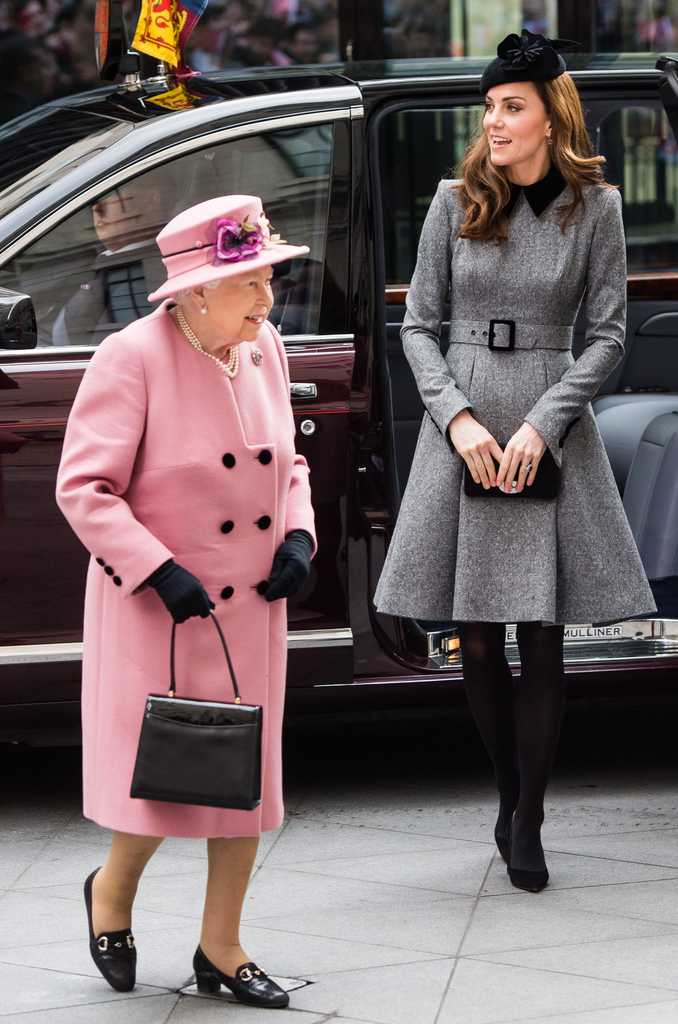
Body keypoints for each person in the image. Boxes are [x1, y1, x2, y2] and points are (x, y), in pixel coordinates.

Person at [373, 29, 657, 893]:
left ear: (548, 116)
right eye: (490, 107)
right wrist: (458, 420)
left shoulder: (595, 208)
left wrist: (542, 423)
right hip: (461, 422)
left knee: (541, 637)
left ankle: (530, 816)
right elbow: (417, 326)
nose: (494, 121)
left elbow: (607, 337)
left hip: (547, 418)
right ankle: (504, 792)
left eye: (511, 106)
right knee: (479, 640)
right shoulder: (454, 200)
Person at [55, 194, 316, 1007]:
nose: (268, 301)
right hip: (163, 610)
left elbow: (290, 466)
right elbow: (85, 490)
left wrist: (299, 537)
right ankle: (111, 894)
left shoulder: (262, 345)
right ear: (197, 290)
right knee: (162, 782)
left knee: (244, 784)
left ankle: (222, 947)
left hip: (248, 612)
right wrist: (158, 568)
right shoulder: (131, 357)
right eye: (252, 285)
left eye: (269, 281)